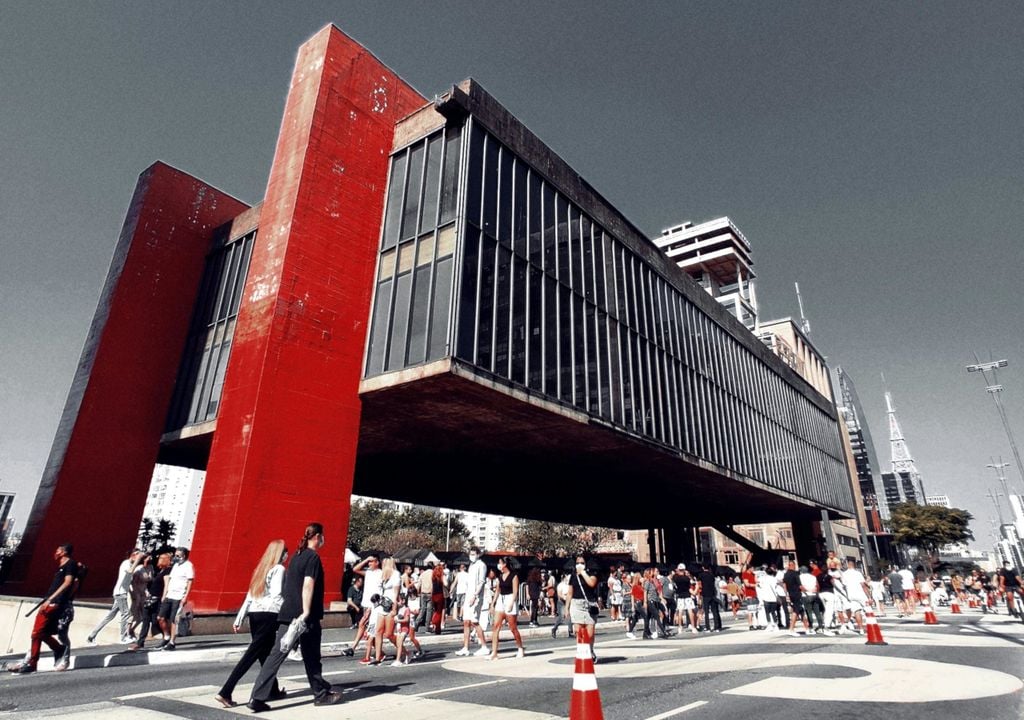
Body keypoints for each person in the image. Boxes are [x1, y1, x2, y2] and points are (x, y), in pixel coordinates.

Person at [248, 522, 342, 711]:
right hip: (305, 617)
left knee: (276, 655)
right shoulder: (313, 557)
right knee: (312, 657)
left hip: (287, 613)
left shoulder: (296, 557)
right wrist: (306, 612)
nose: (323, 540)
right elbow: (308, 585)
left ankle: (257, 697)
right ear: (317, 537)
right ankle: (321, 695)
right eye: (322, 536)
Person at [214, 540, 289, 708]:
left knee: (265, 654)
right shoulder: (279, 569)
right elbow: (277, 594)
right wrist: (287, 611)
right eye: (285, 552)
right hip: (269, 614)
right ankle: (225, 691)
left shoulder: (261, 569)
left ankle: (273, 690)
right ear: (279, 553)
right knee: (252, 654)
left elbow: (250, 596)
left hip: (254, 614)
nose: (287, 555)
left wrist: (239, 618)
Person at [9, 543, 78, 674]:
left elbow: (68, 582)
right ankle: (57, 649)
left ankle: (33, 663)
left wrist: (51, 599)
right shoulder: (61, 567)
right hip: (50, 602)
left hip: (54, 603)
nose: (55, 553)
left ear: (63, 552)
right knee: (42, 633)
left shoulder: (70, 564)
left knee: (36, 633)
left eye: (58, 550)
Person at [88, 549, 144, 644]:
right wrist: (138, 559)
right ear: (133, 555)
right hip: (119, 593)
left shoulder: (130, 564)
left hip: (122, 593)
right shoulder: (126, 563)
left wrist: (132, 593)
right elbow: (130, 572)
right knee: (126, 614)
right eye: (137, 556)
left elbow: (126, 582)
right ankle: (123, 638)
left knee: (110, 616)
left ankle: (91, 636)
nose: (139, 559)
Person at [129, 552, 171, 650]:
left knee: (155, 621)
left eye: (161, 558)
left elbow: (166, 585)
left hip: (156, 599)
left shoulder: (167, 571)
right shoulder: (161, 571)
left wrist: (163, 598)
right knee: (146, 620)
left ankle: (166, 636)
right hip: (150, 598)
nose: (158, 560)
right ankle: (140, 642)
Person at [156, 547, 194, 651]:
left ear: (184, 556)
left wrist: (185, 597)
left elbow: (190, 582)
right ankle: (166, 636)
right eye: (175, 555)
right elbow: (170, 579)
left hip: (179, 596)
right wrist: (165, 594)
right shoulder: (176, 566)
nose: (175, 557)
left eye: (178, 555)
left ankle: (172, 642)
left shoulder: (188, 566)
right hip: (169, 595)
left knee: (173, 620)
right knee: (160, 617)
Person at [344, 554, 382, 656]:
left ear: (377, 562)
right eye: (369, 562)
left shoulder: (381, 573)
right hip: (366, 604)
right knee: (369, 630)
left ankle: (353, 647)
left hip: (373, 605)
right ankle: (380, 652)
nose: (369, 563)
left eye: (372, 561)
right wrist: (366, 560)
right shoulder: (368, 572)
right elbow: (355, 569)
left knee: (363, 625)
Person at [454, 547, 489, 656]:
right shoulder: (471, 566)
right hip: (468, 595)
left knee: (474, 621)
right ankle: (465, 647)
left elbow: (481, 581)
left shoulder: (481, 565)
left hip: (476, 597)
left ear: (478, 554)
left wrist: (475, 595)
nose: (471, 555)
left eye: (473, 553)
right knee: (466, 622)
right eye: (471, 554)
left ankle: (484, 646)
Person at [488, 556, 525, 659]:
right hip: (501, 600)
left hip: (510, 599)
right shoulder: (500, 576)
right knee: (495, 627)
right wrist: (493, 603)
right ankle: (494, 652)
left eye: (500, 563)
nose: (499, 565)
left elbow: (515, 591)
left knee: (513, 628)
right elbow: (497, 591)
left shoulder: (514, 576)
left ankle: (520, 647)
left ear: (505, 564)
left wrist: (511, 603)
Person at [565, 555, 599, 661]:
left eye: (582, 563)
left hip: (589, 604)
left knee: (590, 633)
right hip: (576, 604)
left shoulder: (592, 574)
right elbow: (570, 593)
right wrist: (567, 608)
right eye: (577, 562)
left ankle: (590, 649)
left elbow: (591, 583)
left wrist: (583, 573)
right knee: (578, 630)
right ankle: (581, 652)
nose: (579, 565)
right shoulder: (573, 577)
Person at [393, 590, 423, 665]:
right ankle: (405, 654)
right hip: (402, 625)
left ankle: (419, 650)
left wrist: (410, 612)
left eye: (411, 593)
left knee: (411, 638)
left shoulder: (415, 601)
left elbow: (415, 613)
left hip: (410, 622)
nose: (410, 595)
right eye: (409, 594)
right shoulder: (402, 606)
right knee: (398, 642)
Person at [698, 565, 722, 632]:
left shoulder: (701, 575)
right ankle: (716, 627)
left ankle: (708, 627)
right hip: (712, 594)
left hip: (705, 594)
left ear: (703, 568)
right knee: (714, 611)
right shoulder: (712, 575)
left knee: (706, 612)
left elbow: (700, 584)